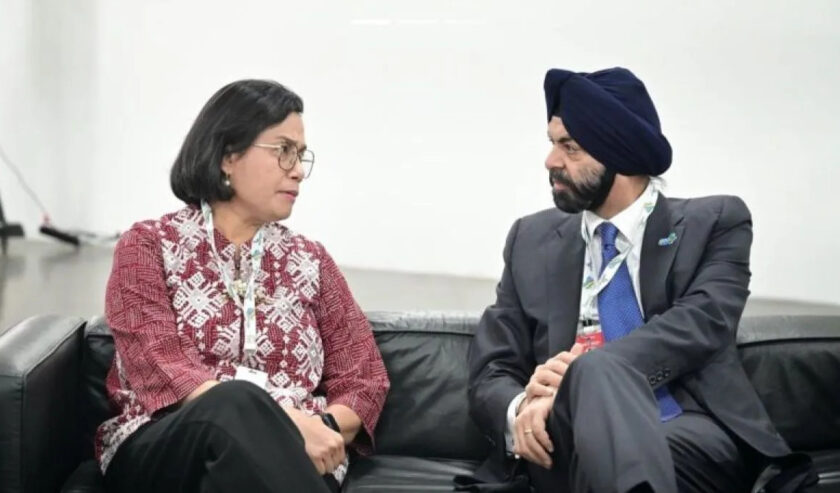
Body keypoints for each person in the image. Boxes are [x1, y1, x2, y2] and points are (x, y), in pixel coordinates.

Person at [467, 67, 812, 492]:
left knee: (595, 374)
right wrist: (523, 407)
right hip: (559, 440)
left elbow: (702, 322)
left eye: (569, 147)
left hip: (687, 430)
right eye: (552, 143)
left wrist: (581, 380)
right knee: (589, 393)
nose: (551, 161)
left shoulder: (715, 222)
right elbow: (492, 367)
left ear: (619, 154)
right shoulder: (530, 241)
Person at [97, 79, 390, 493]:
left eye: (301, 156)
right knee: (233, 402)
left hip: (296, 460)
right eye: (283, 150)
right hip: (166, 447)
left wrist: (319, 427)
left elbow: (364, 378)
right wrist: (288, 423)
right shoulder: (148, 246)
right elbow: (159, 363)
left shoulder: (312, 261)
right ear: (227, 156)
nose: (297, 171)